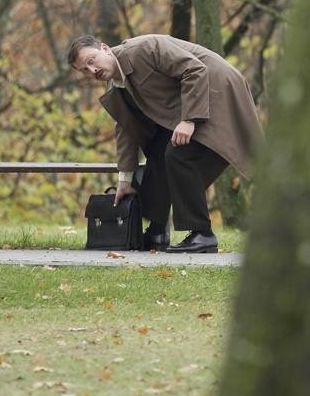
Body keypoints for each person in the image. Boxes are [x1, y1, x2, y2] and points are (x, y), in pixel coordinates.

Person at [68, 33, 260, 253]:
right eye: (84, 70)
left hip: (217, 90)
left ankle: (202, 234)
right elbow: (126, 128)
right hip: (187, 103)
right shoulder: (116, 84)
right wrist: (125, 178)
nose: (92, 71)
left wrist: (189, 120)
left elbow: (195, 70)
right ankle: (157, 232)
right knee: (157, 152)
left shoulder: (144, 48)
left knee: (179, 155)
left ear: (104, 49)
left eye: (91, 61)